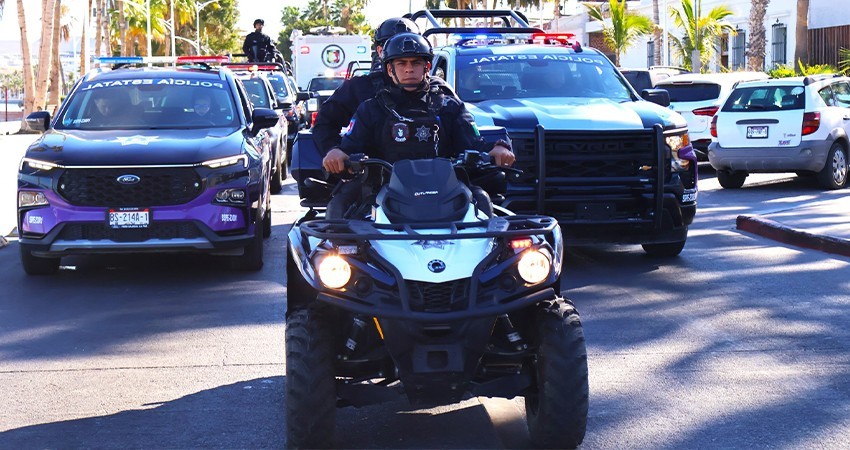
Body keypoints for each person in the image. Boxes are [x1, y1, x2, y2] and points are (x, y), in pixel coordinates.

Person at [322, 32, 515, 219]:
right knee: (338, 206)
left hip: (447, 190)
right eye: (401, 63)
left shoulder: (451, 107)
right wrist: (337, 153)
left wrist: (499, 148)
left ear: (427, 66)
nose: (409, 69)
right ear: (389, 69)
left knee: (482, 199)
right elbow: (350, 147)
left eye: (416, 63)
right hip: (379, 190)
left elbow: (474, 145)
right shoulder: (370, 109)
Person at [311, 17, 461, 159]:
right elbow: (325, 123)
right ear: (380, 51)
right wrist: (334, 151)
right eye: (401, 61)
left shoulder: (439, 91)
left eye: (415, 60)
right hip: (377, 173)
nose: (403, 48)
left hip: (437, 173)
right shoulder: (360, 91)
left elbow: (465, 138)